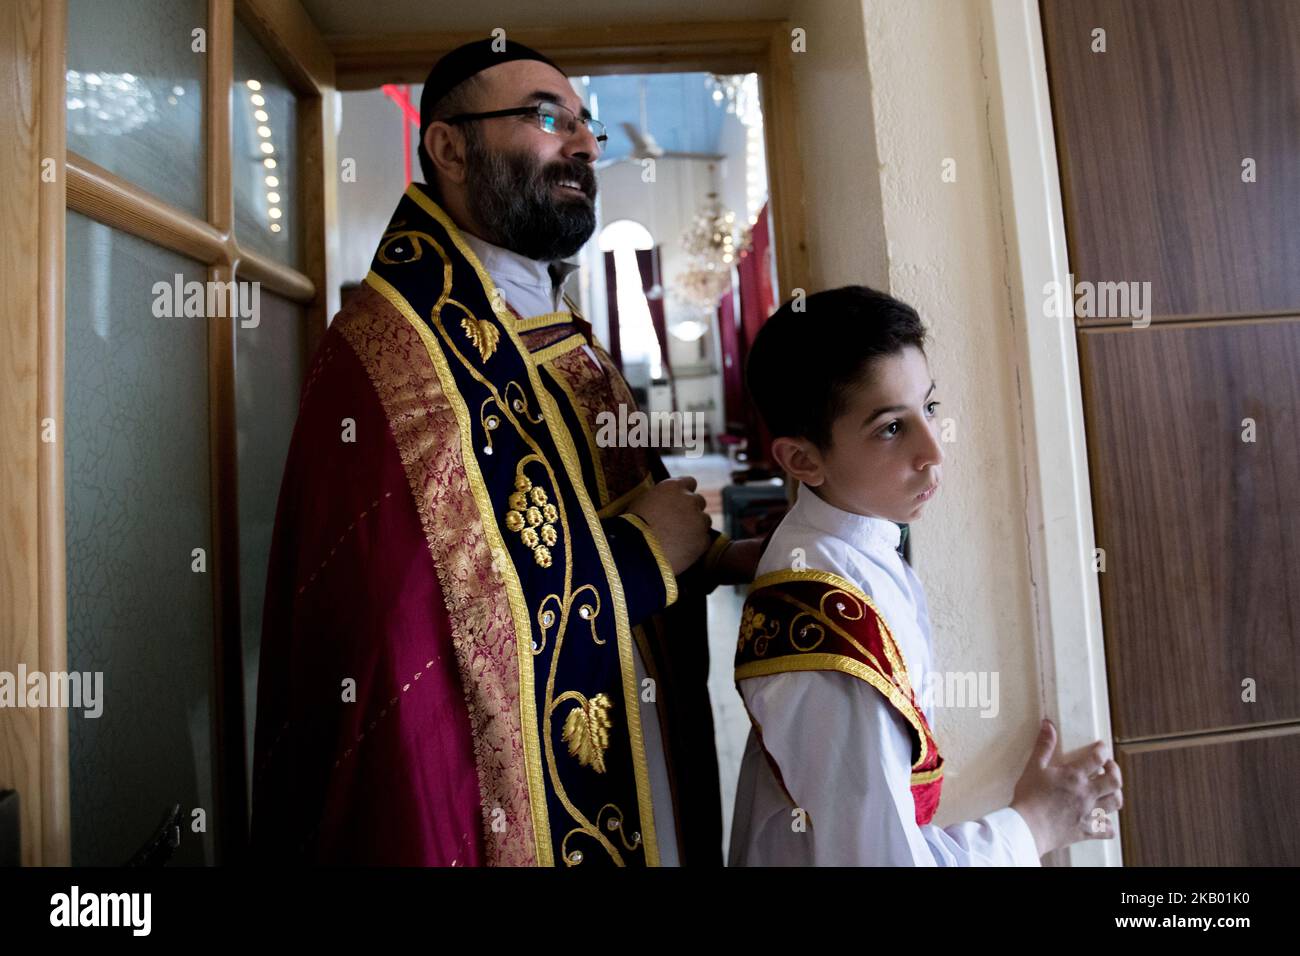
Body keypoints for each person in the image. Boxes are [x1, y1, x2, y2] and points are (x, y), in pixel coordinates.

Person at [250, 38, 762, 866]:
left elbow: (603, 516)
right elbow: (404, 620)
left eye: (587, 126)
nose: (586, 146)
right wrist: (638, 558)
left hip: (637, 749)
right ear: (449, 146)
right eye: (547, 118)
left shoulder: (565, 331)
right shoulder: (387, 353)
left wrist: (715, 557)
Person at [728, 286, 1123, 865]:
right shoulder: (830, 624)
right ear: (802, 460)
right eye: (891, 428)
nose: (934, 450)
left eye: (929, 408)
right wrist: (1033, 825)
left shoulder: (856, 546)